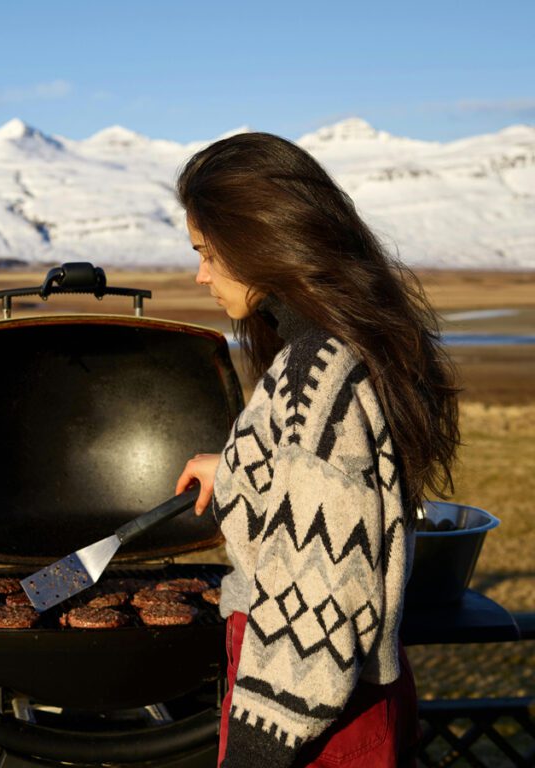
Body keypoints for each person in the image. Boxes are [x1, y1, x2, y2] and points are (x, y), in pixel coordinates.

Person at [172, 132, 459, 768]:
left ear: (259, 242)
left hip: (306, 717)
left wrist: (254, 748)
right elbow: (332, 482)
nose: (200, 275)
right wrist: (238, 468)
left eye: (208, 253)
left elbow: (320, 595)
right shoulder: (346, 346)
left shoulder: (315, 370)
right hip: (344, 702)